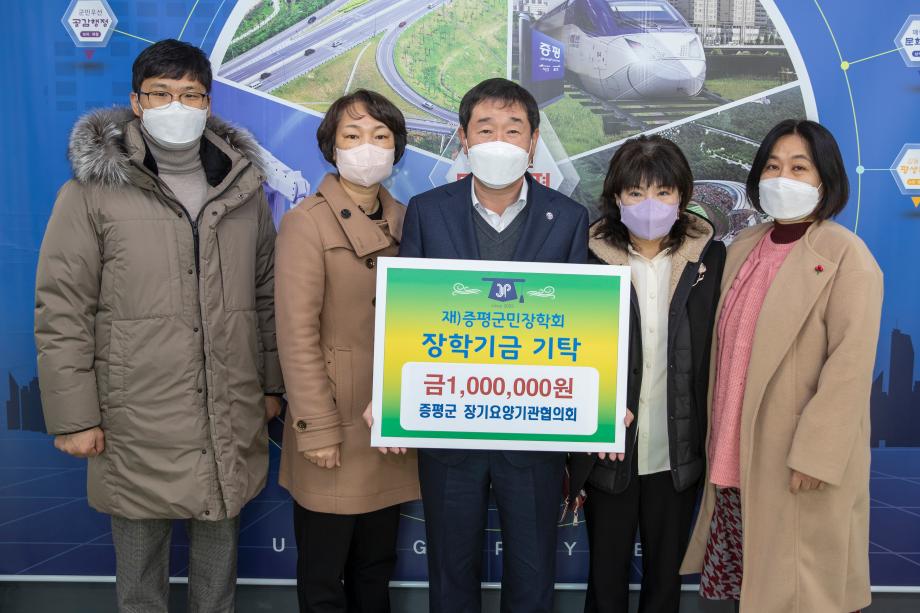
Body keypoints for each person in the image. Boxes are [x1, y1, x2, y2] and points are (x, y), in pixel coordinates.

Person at [34, 39, 283, 611]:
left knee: (216, 584)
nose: (178, 105)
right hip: (133, 420)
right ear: (136, 101)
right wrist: (76, 418)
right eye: (162, 94)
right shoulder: (91, 192)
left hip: (226, 412)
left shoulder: (242, 190)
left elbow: (265, 296)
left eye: (191, 94)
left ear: (208, 102)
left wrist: (270, 386)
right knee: (141, 584)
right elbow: (62, 307)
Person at [399, 78, 589, 613]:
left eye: (513, 130)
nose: (500, 141)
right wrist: (392, 396)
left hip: (533, 436)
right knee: (449, 572)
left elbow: (578, 324)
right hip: (449, 430)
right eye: (486, 129)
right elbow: (408, 318)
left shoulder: (569, 217)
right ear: (464, 138)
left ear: (532, 142)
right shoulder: (427, 211)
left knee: (532, 575)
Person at [680, 119, 883, 613]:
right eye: (772, 166)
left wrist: (816, 455)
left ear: (825, 180)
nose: (782, 178)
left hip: (796, 460)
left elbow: (849, 369)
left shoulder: (845, 256)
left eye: (798, 167)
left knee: (802, 591)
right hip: (735, 453)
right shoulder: (743, 247)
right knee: (752, 589)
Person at [275, 89, 420, 613]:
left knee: (375, 570)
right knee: (323, 578)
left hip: (390, 429)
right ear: (330, 147)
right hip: (333, 425)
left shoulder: (413, 221)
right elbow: (295, 336)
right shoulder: (306, 223)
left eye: (381, 136)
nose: (368, 148)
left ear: (396, 148)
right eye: (352, 136)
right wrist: (316, 427)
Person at [569, 135, 725, 613]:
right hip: (609, 449)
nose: (650, 204)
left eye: (663, 192)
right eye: (636, 193)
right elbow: (566, 348)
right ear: (616, 198)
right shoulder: (587, 257)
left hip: (678, 449)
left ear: (682, 196)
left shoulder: (710, 260)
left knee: (665, 582)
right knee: (606, 579)